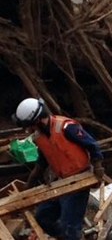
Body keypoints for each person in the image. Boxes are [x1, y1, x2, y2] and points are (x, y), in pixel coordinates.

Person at [12, 98, 105, 240]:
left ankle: (71, 236)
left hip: (79, 181)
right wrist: (30, 183)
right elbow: (42, 161)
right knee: (43, 216)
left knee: (70, 225)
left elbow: (92, 145)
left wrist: (97, 165)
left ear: (37, 121)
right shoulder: (40, 136)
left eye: (29, 126)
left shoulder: (66, 127)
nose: (28, 130)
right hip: (61, 182)